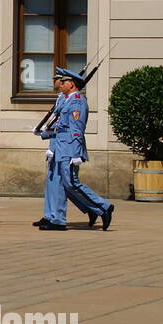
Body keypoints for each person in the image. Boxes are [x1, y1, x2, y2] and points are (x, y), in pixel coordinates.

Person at [35, 67, 114, 231]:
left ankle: (103, 207)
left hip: (70, 149)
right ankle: (57, 219)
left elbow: (76, 129)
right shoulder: (66, 100)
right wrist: (44, 134)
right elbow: (61, 128)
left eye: (64, 81)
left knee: (72, 184)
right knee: (58, 184)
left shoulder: (77, 101)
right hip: (61, 147)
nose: (60, 84)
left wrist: (76, 153)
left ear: (72, 84)